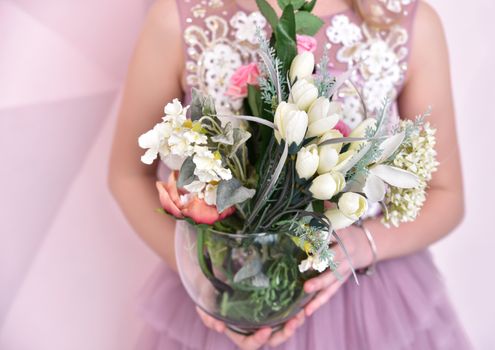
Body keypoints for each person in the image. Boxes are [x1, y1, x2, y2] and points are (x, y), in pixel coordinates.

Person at [108, 0, 472, 348]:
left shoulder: (408, 25)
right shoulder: (180, 20)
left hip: (365, 296)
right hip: (230, 284)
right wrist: (206, 281)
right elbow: (127, 175)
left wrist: (362, 245)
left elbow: (446, 195)